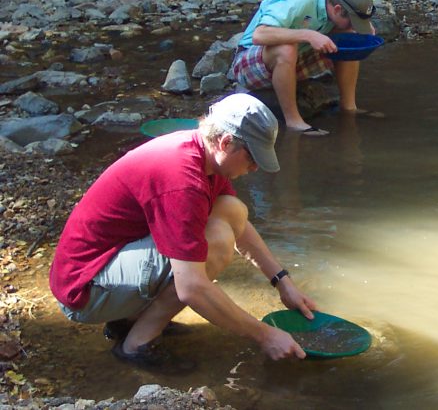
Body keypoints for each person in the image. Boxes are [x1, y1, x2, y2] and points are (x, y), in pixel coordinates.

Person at [49, 94, 315, 365]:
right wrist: (265, 335)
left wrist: (282, 282)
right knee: (216, 244)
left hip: (109, 264)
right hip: (85, 289)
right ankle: (135, 344)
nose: (255, 168)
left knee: (231, 209)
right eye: (252, 158)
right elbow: (191, 287)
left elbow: (239, 224)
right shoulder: (183, 179)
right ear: (225, 143)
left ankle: (131, 319)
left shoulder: (204, 157)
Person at [229, 0, 377, 135]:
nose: (353, 25)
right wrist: (308, 35)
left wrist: (362, 28)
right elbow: (259, 35)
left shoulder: (332, 2)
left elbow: (348, 30)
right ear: (338, 9)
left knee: (351, 39)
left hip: (294, 59)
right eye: (353, 21)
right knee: (286, 48)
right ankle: (293, 121)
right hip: (249, 64)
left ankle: (348, 107)